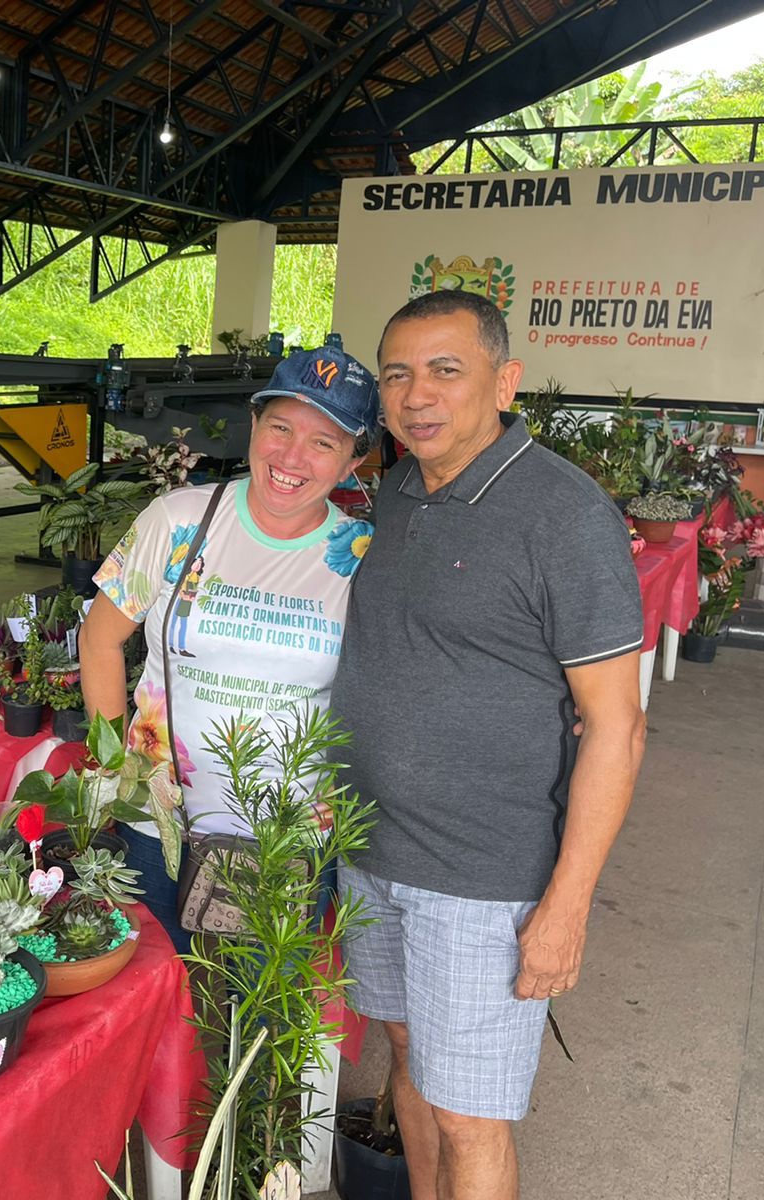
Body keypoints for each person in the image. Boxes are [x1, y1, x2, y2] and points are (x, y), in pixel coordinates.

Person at [331, 291, 647, 1200]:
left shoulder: (562, 514)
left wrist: (567, 907)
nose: (417, 394)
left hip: (483, 876)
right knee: (407, 1059)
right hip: (371, 850)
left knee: (473, 1117)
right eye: (397, 373)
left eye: (445, 369)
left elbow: (618, 730)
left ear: (505, 381)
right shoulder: (394, 490)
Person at [79, 335, 379, 945]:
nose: (293, 456)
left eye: (324, 441)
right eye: (280, 428)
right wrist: (118, 770)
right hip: (156, 818)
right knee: (158, 1002)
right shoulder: (177, 520)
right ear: (253, 425)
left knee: (263, 1012)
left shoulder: (364, 556)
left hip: (290, 834)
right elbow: (99, 641)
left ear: (353, 462)